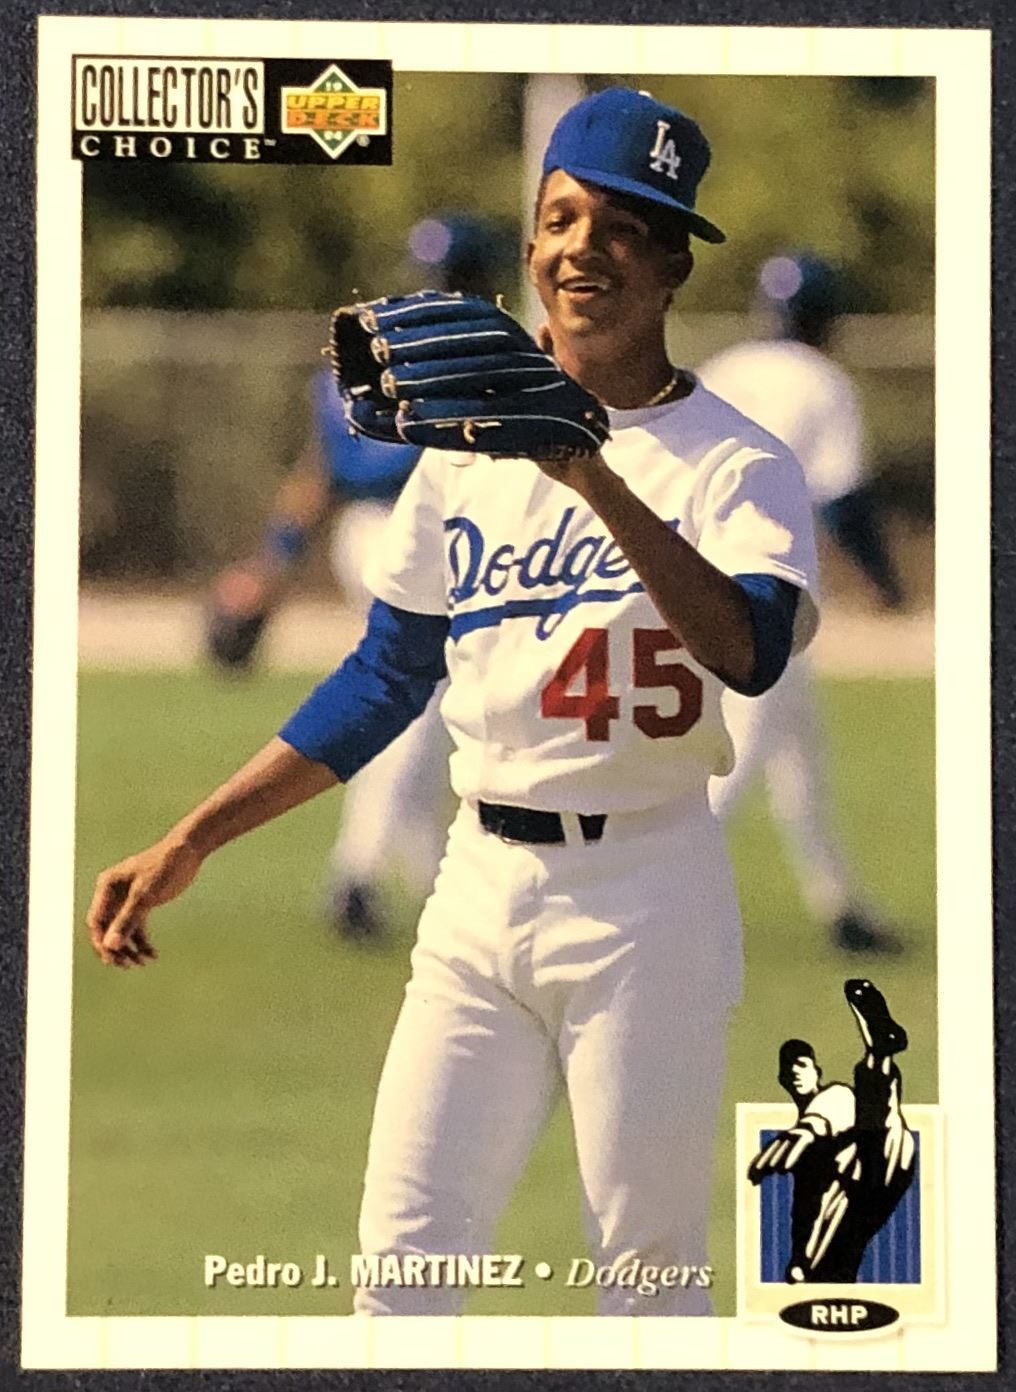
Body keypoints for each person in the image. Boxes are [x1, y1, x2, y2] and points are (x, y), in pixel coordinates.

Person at [87, 87, 819, 1317]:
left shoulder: (737, 462)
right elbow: (385, 674)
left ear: (673, 265)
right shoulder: (459, 454)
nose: (584, 247)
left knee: (645, 1281)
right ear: (528, 249)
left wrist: (589, 475)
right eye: (560, 219)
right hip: (475, 890)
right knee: (399, 1273)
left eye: (624, 227)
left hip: (645, 896)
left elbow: (748, 652)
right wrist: (193, 837)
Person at [205, 215, 512, 938]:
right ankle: (357, 878)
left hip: (368, 534)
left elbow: (321, 475)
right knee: (417, 708)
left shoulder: (369, 347)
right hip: (415, 533)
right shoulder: (477, 352)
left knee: (428, 711)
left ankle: (429, 880)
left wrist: (272, 564)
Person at [698, 254, 905, 954]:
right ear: (826, 319)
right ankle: (654, 894)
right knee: (743, 752)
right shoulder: (821, 380)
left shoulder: (725, 367)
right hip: (764, 581)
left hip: (693, 570)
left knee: (797, 754)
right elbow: (842, 499)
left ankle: (841, 906)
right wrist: (884, 580)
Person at [748, 979, 915, 1283]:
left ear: (817, 1072)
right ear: (782, 1079)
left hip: (878, 1158)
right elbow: (807, 1209)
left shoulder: (833, 1097)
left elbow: (838, 1107)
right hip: (856, 1190)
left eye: (802, 1064)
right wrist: (801, 1258)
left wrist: (810, 1129)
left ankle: (879, 1055)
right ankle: (879, 1054)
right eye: (788, 1068)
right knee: (828, 1262)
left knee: (876, 1131)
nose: (794, 1072)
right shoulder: (806, 1150)